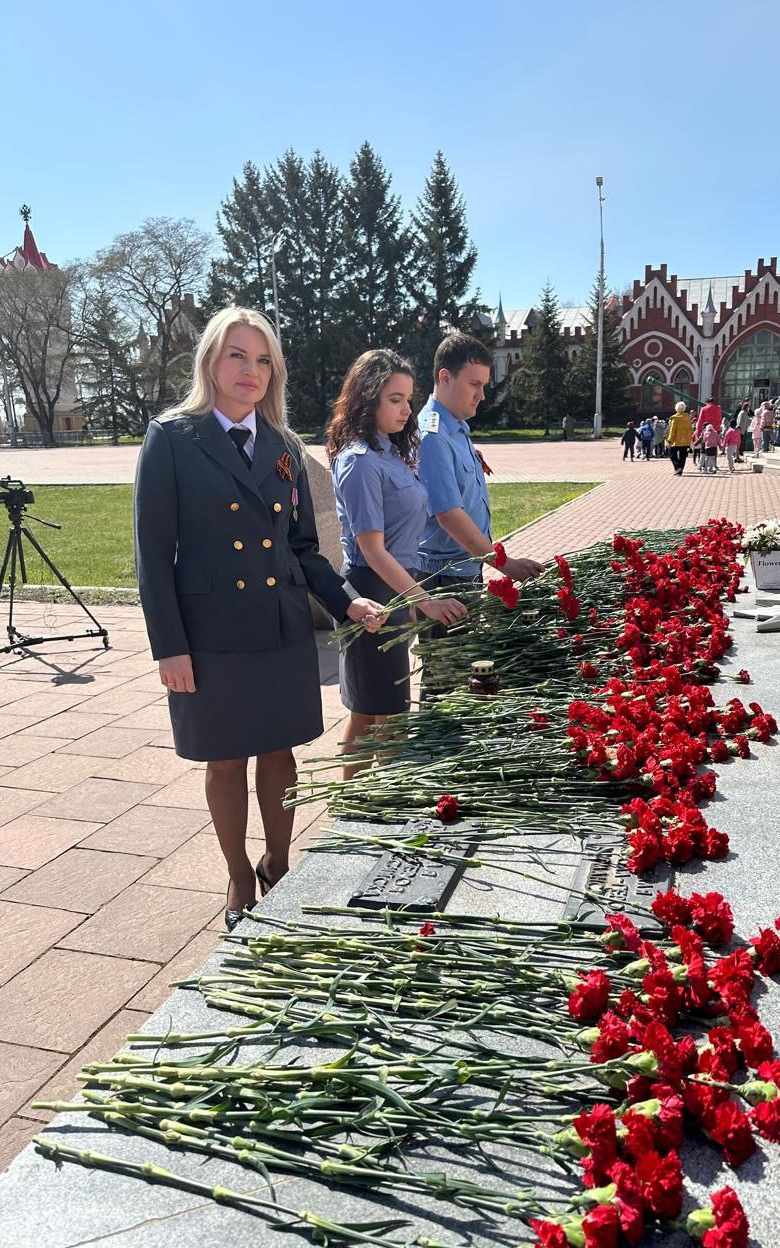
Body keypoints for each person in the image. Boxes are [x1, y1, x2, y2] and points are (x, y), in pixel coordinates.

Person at [133, 307, 386, 932]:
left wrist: (346, 599)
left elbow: (303, 547)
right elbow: (153, 554)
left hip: (279, 629)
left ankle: (278, 857)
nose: (250, 371)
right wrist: (170, 647)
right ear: (211, 363)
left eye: (263, 359)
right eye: (236, 356)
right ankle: (239, 873)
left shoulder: (283, 446)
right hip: (209, 634)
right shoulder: (173, 437)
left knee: (280, 753)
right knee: (225, 761)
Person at [327, 350, 468, 778]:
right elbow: (372, 550)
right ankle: (356, 807)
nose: (407, 409)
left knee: (382, 711)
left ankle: (366, 803)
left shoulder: (389, 454)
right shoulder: (360, 462)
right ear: (367, 399)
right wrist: (425, 602)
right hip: (372, 590)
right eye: (395, 399)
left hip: (394, 587)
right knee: (376, 712)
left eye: (408, 398)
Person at [417, 331, 542, 598]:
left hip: (463, 567)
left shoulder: (456, 426)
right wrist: (504, 563)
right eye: (474, 384)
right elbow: (449, 515)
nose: (481, 395)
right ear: (445, 377)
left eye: (484, 385)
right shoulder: (433, 437)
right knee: (450, 642)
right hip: (445, 576)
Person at [666, 401, 692, 475]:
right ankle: (680, 470)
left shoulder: (675, 418)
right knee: (683, 456)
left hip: (676, 440)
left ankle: (677, 467)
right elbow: (690, 429)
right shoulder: (688, 418)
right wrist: (689, 440)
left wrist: (669, 440)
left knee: (672, 454)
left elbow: (672, 430)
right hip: (685, 440)